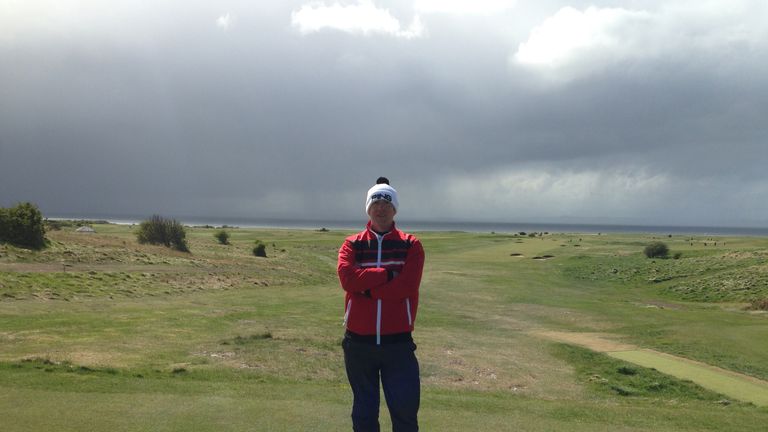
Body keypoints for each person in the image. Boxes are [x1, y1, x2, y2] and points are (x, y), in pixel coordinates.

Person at [337, 177, 425, 432]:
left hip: (398, 344)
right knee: (364, 414)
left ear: (394, 209)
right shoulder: (352, 243)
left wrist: (365, 290)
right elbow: (347, 278)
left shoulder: (411, 245)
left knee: (405, 412)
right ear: (368, 208)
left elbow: (406, 287)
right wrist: (386, 275)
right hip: (358, 344)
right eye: (376, 202)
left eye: (387, 203)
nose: (381, 208)